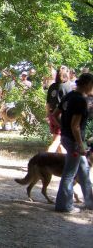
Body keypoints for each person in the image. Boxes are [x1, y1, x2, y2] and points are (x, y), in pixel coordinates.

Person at [53, 73, 93, 213]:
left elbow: (54, 114)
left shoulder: (69, 96)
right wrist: (80, 145)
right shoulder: (80, 100)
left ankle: (90, 202)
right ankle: (64, 205)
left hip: (66, 138)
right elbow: (75, 126)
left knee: (84, 171)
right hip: (75, 142)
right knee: (69, 173)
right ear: (88, 84)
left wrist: (62, 128)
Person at [46, 66, 72, 153]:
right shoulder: (68, 87)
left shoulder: (52, 86)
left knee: (60, 141)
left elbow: (48, 103)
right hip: (61, 117)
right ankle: (45, 160)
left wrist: (48, 116)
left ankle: (62, 162)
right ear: (66, 74)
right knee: (56, 141)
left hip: (52, 115)